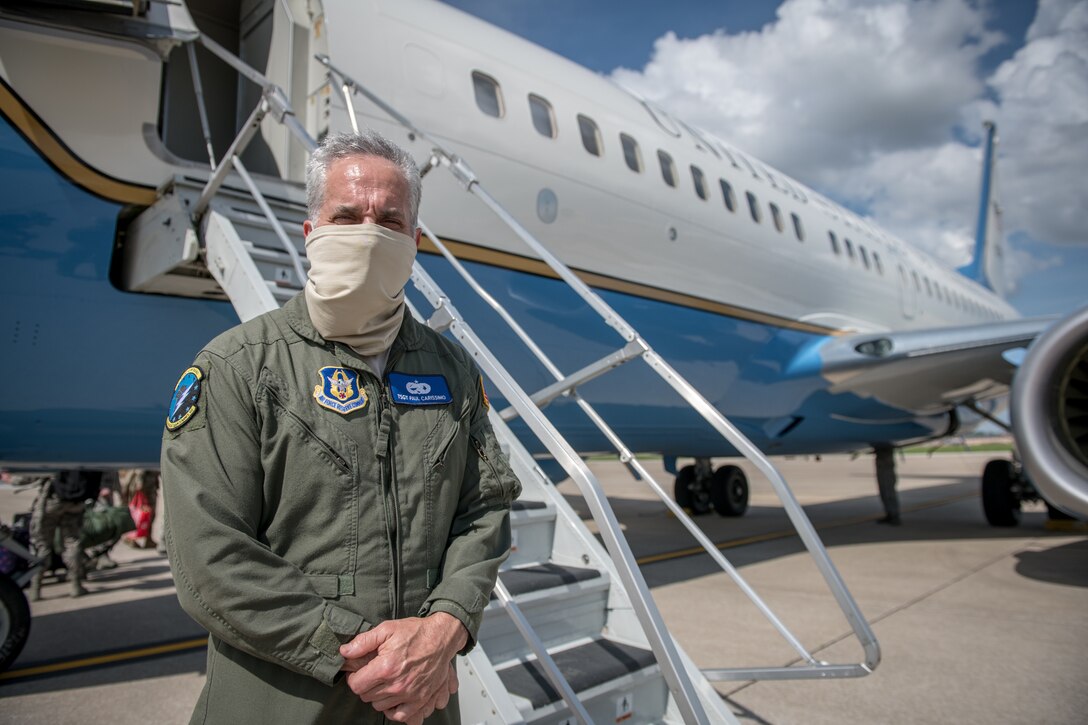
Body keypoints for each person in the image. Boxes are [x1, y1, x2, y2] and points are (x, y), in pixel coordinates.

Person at [161, 130, 520, 725]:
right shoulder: (238, 367)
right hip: (288, 705)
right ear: (311, 234)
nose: (368, 233)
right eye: (347, 216)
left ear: (414, 241)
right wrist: (367, 657)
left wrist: (447, 625)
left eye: (390, 221)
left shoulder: (450, 368)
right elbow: (208, 557)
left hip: (420, 704)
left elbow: (485, 507)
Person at [28, 469, 99, 599]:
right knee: (72, 543)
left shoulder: (58, 455)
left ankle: (35, 587)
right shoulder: (84, 456)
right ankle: (75, 585)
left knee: (43, 544)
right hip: (76, 503)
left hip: (52, 501)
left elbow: (32, 475)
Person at [119, 469, 160, 550]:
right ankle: (131, 537)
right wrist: (139, 484)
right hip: (145, 486)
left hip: (146, 484)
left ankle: (148, 538)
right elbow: (141, 467)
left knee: (145, 514)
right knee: (142, 514)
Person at [875, 445, 901, 525]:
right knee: (884, 490)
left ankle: (894, 516)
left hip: (885, 464)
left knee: (888, 491)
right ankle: (890, 514)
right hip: (882, 460)